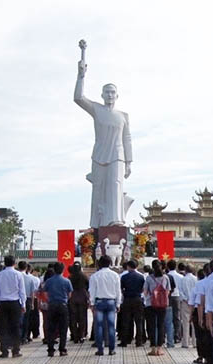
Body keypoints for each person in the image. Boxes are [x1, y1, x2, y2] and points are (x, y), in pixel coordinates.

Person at [74, 46, 133, 228]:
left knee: (116, 186)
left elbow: (127, 139)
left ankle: (116, 220)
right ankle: (96, 223)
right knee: (98, 190)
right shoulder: (96, 109)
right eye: (106, 92)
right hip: (99, 155)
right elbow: (78, 97)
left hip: (118, 156)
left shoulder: (123, 115)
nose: (109, 95)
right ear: (102, 95)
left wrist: (129, 162)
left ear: (117, 95)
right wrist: (81, 76)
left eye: (112, 92)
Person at [89, 255, 122, 356]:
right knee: (111, 326)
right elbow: (118, 291)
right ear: (110, 263)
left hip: (99, 302)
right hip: (111, 302)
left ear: (99, 264)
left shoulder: (95, 276)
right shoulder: (115, 275)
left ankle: (100, 349)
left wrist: (92, 303)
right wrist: (118, 303)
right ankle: (111, 349)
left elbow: (92, 291)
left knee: (99, 326)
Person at [0, 255, 26, 358]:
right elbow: (22, 291)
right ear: (14, 263)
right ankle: (16, 350)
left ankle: (4, 351)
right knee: (16, 327)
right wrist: (23, 304)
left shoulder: (0, 275)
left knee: (3, 327)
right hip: (15, 302)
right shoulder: (18, 274)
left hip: (3, 303)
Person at [45, 262, 73, 356]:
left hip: (52, 305)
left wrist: (50, 299)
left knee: (51, 328)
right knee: (63, 328)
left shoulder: (49, 281)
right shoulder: (66, 281)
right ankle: (62, 349)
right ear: (63, 270)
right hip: (62, 305)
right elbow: (69, 295)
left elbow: (45, 293)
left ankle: (51, 349)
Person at [144, 260, 170, 356]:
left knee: (151, 326)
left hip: (150, 304)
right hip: (162, 305)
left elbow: (145, 292)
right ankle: (160, 348)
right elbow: (168, 291)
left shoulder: (149, 278)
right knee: (161, 325)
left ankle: (153, 348)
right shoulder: (165, 278)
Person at [120, 260, 146, 347]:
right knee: (139, 321)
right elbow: (143, 289)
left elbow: (122, 289)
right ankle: (139, 341)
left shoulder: (124, 276)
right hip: (138, 299)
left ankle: (125, 340)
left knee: (126, 321)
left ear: (128, 267)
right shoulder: (141, 276)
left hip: (127, 299)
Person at [68, 263, 90, 344]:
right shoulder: (84, 276)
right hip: (82, 298)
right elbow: (88, 286)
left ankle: (75, 336)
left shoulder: (70, 277)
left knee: (73, 317)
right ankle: (82, 335)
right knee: (82, 317)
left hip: (73, 298)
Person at [18, 261, 37, 344]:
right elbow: (32, 292)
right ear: (26, 268)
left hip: (17, 299)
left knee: (18, 319)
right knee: (26, 320)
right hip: (28, 299)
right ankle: (24, 337)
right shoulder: (31, 278)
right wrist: (32, 303)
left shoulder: (16, 276)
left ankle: (17, 337)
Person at [179, 264, 197, 348]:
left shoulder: (183, 279)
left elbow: (180, 291)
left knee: (185, 322)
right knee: (194, 323)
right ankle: (195, 342)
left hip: (185, 302)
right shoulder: (196, 279)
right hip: (195, 303)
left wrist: (186, 299)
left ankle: (185, 342)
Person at [166, 260, 182, 345]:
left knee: (168, 317)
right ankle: (177, 336)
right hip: (177, 296)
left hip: (168, 297)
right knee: (177, 317)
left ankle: (168, 336)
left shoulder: (166, 276)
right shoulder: (180, 277)